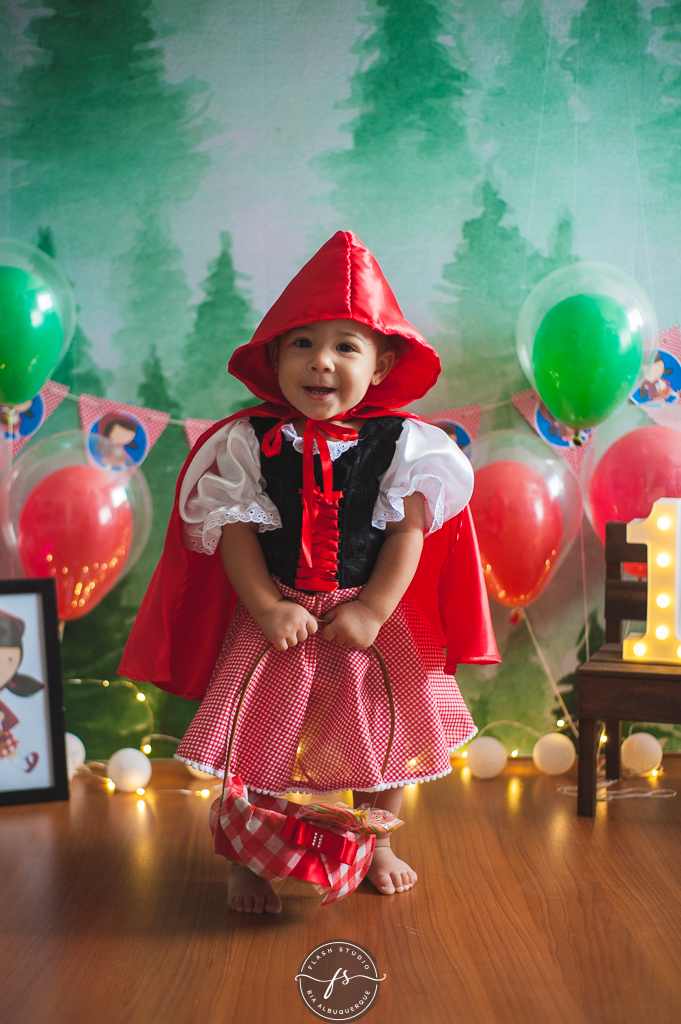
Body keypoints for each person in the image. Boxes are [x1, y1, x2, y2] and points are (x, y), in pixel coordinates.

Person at [119, 231, 499, 915]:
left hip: (368, 618)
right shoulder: (248, 442)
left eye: (345, 347)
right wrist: (267, 606)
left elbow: (408, 533)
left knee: (387, 737)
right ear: (274, 357)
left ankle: (375, 844)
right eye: (302, 343)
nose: (321, 361)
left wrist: (373, 609)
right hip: (279, 616)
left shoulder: (407, 446)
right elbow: (235, 532)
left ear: (381, 365)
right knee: (258, 746)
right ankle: (250, 860)